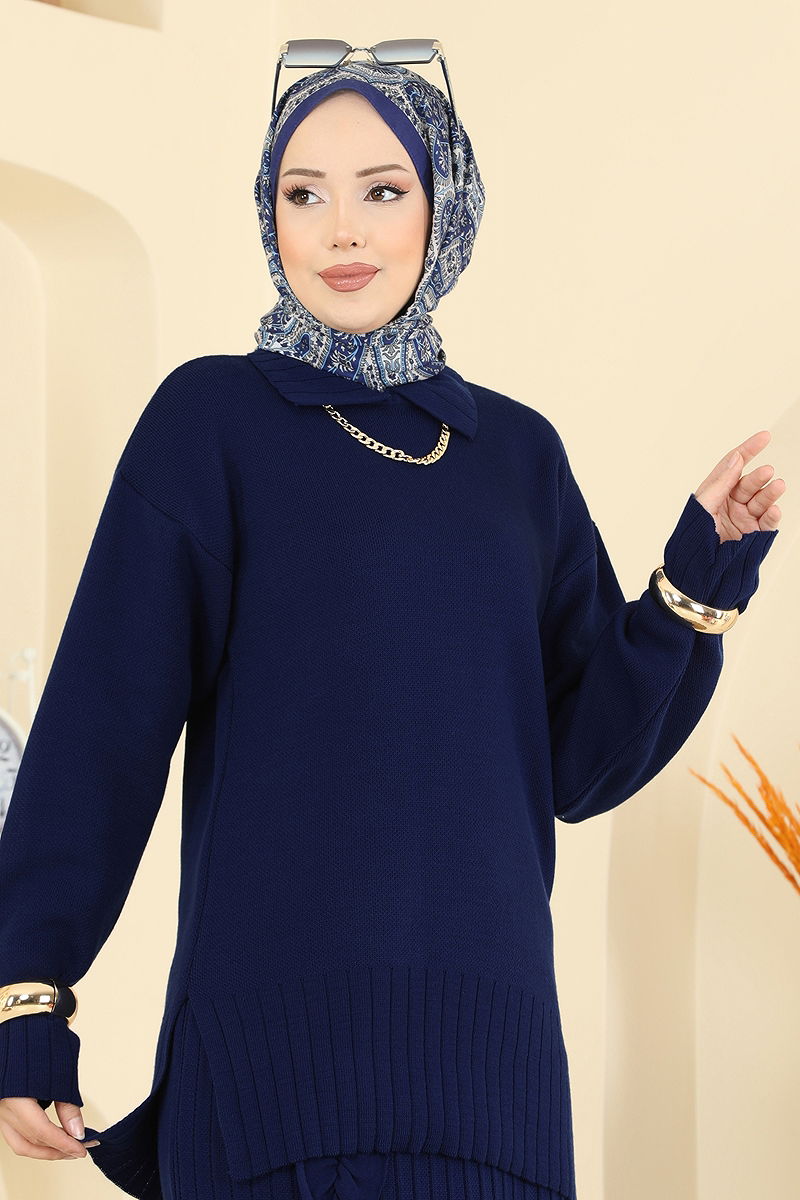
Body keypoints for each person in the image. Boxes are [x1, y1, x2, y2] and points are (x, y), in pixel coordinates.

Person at [0, 48, 785, 1200]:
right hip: (271, 1073)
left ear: (443, 206)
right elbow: (101, 729)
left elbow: (573, 763)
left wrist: (694, 579)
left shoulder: (516, 455)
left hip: (492, 1087)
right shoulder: (209, 422)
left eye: (381, 189)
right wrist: (29, 995)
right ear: (268, 213)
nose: (339, 231)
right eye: (301, 193)